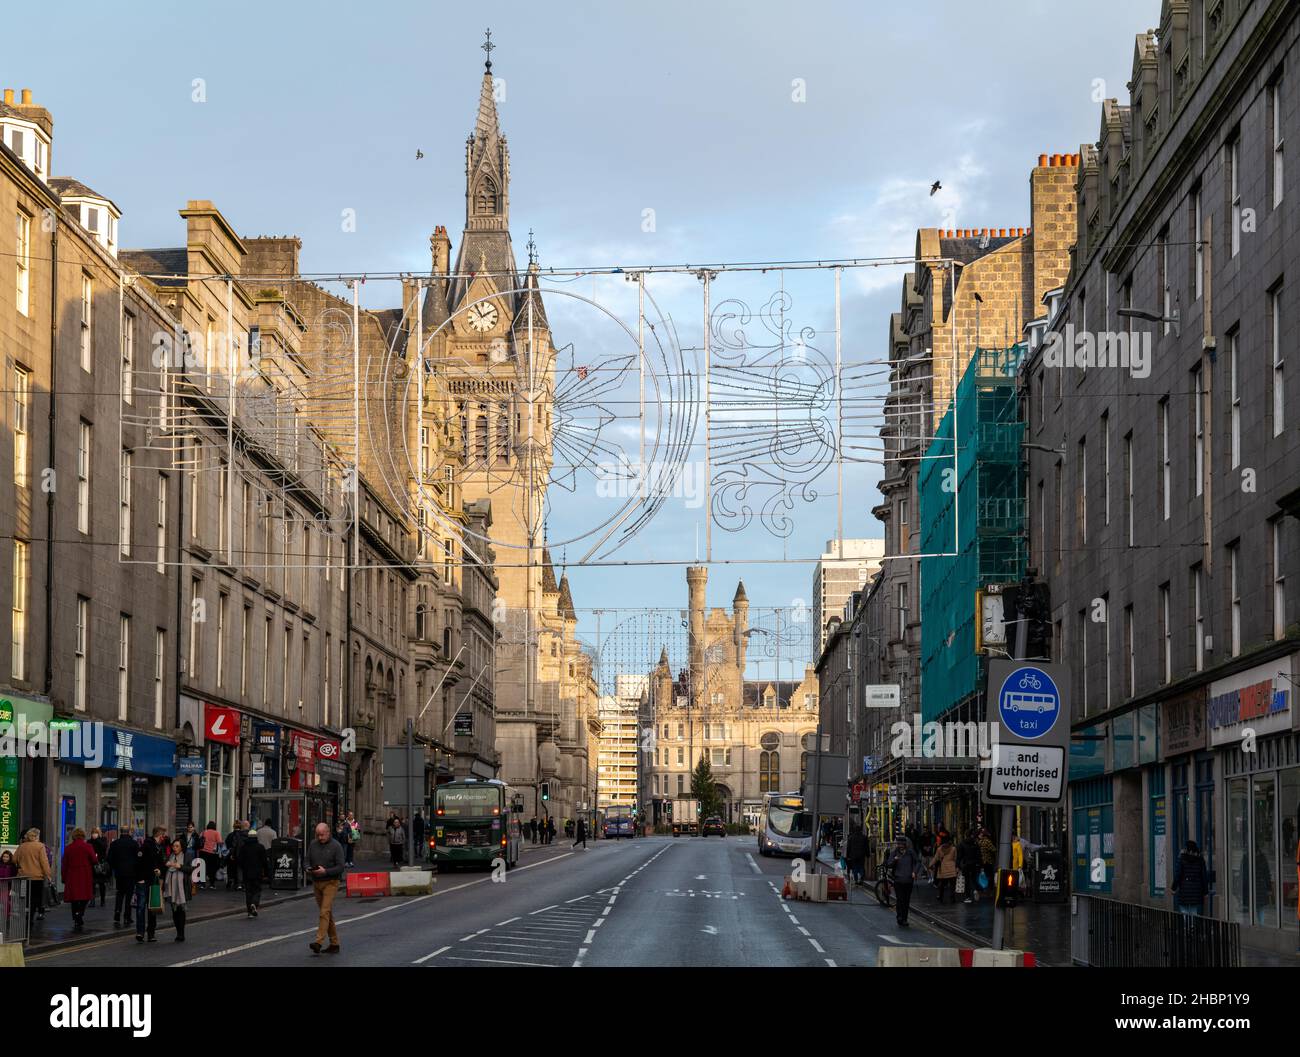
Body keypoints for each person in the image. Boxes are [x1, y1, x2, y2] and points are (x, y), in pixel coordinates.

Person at [306, 822, 345, 954]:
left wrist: (326, 871)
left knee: (324, 912)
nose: (320, 837)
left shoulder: (336, 846)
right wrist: (308, 868)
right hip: (317, 882)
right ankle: (334, 944)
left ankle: (318, 942)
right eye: (318, 835)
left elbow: (340, 866)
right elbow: (306, 860)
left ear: (328, 832)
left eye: (322, 835)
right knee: (327, 913)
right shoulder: (313, 844)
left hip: (331, 882)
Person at [59, 828, 98, 932]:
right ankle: (80, 914)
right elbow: (94, 860)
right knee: (85, 897)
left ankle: (76, 916)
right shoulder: (88, 846)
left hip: (72, 874)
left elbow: (64, 864)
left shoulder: (68, 848)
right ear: (83, 836)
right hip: (85, 874)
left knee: (74, 898)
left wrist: (63, 877)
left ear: (73, 836)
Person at [133, 827, 166, 942]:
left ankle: (151, 933)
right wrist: (139, 879)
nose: (164, 838)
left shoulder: (159, 847)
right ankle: (140, 932)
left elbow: (161, 863)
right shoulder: (146, 845)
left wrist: (160, 871)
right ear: (159, 835)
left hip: (154, 881)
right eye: (163, 836)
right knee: (141, 907)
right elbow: (138, 863)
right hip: (143, 881)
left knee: (153, 907)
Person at [15, 828, 51, 930]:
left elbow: (14, 859)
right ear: (36, 836)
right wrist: (48, 875)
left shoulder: (22, 846)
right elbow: (44, 862)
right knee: (35, 899)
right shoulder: (40, 846)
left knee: (24, 898)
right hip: (36, 878)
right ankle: (30, 918)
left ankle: (25, 916)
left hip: (23, 877)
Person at [107, 824, 139, 926]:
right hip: (131, 873)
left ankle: (117, 912)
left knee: (120, 893)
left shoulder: (115, 844)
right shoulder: (134, 844)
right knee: (129, 895)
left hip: (119, 873)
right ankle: (127, 916)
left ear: (120, 832)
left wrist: (115, 868)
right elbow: (138, 859)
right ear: (129, 832)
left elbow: (109, 859)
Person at [885, 837, 919, 927]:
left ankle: (905, 919)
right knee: (900, 899)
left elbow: (917, 862)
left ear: (905, 845)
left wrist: (914, 872)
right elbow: (888, 864)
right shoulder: (894, 853)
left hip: (908, 880)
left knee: (906, 900)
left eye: (902, 844)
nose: (900, 846)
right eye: (898, 844)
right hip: (898, 879)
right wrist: (894, 860)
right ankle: (899, 917)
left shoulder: (911, 853)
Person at [1171, 839, 1207, 917]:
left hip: (1184, 890)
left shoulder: (1181, 859)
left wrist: (1173, 888)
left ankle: (1186, 927)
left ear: (1187, 849)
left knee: (1184, 911)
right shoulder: (1200, 860)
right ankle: (1192, 927)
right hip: (1196, 890)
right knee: (1194, 911)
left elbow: (1177, 875)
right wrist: (1205, 891)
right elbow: (1204, 876)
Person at [240, 828, 269, 917]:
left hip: (247, 873)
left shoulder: (244, 847)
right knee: (257, 890)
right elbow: (265, 861)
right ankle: (254, 903)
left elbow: (240, 860)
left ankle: (249, 912)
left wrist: (243, 868)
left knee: (248, 892)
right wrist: (267, 873)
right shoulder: (260, 847)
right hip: (257, 872)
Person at [165, 838, 188, 941]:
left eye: (177, 846)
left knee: (180, 911)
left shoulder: (186, 856)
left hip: (182, 888)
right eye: (173, 846)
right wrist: (165, 865)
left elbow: (191, 869)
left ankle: (181, 933)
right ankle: (178, 932)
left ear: (182, 847)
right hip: (171, 888)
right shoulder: (170, 856)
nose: (174, 848)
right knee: (174, 912)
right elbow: (165, 868)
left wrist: (180, 866)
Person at [930, 832, 958, 904]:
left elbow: (936, 858)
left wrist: (930, 865)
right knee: (952, 885)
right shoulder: (953, 849)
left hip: (943, 869)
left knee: (942, 885)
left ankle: (940, 897)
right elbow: (955, 858)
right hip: (952, 869)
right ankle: (952, 898)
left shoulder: (939, 849)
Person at [89, 827, 109, 907]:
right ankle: (92, 900)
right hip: (92, 865)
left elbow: (104, 848)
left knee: (101, 884)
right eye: (93, 832)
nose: (94, 834)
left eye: (96, 832)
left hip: (101, 864)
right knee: (92, 883)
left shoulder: (103, 840)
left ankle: (102, 900)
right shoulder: (89, 841)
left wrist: (97, 839)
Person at [225, 820, 247, 890]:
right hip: (241, 855)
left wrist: (231, 854)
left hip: (233, 854)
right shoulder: (244, 834)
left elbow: (228, 844)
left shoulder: (230, 835)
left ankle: (231, 880)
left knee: (231, 868)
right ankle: (239, 883)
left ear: (233, 826)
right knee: (240, 869)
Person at [200, 820, 221, 891]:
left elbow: (200, 839)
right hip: (213, 853)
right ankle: (212, 884)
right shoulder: (216, 833)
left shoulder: (204, 832)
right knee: (212, 868)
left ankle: (202, 884)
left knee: (203, 868)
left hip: (203, 852)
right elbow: (219, 842)